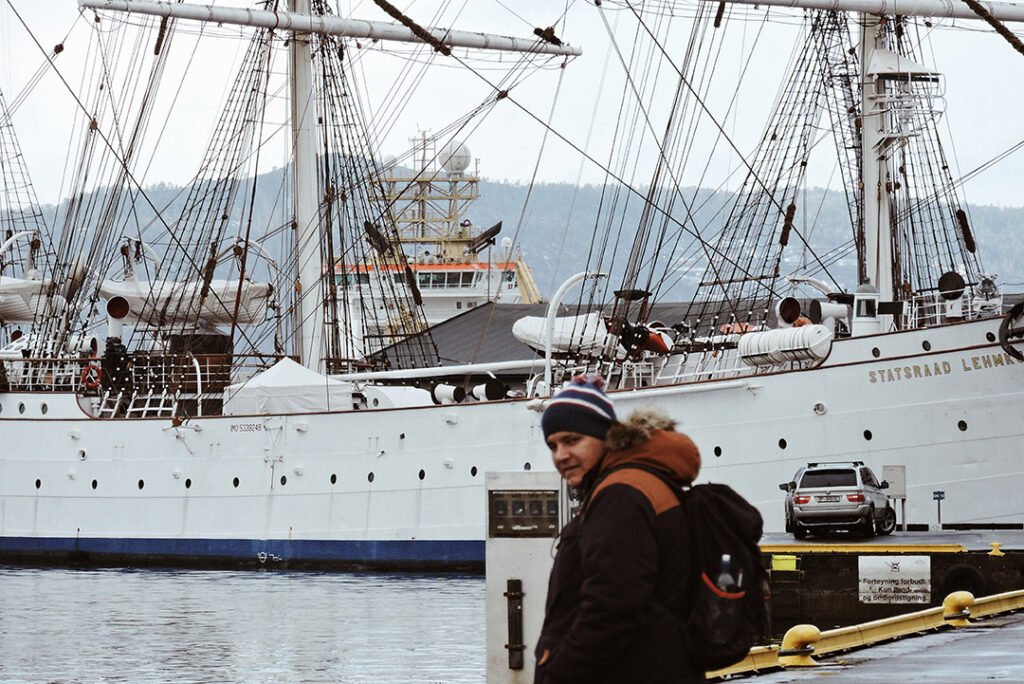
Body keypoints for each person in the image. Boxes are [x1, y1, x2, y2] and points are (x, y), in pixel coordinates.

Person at [534, 375, 704, 684]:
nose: (560, 455)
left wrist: (558, 675)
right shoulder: (638, 484)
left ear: (606, 437)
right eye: (553, 445)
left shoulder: (621, 495)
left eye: (573, 440)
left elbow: (612, 607)